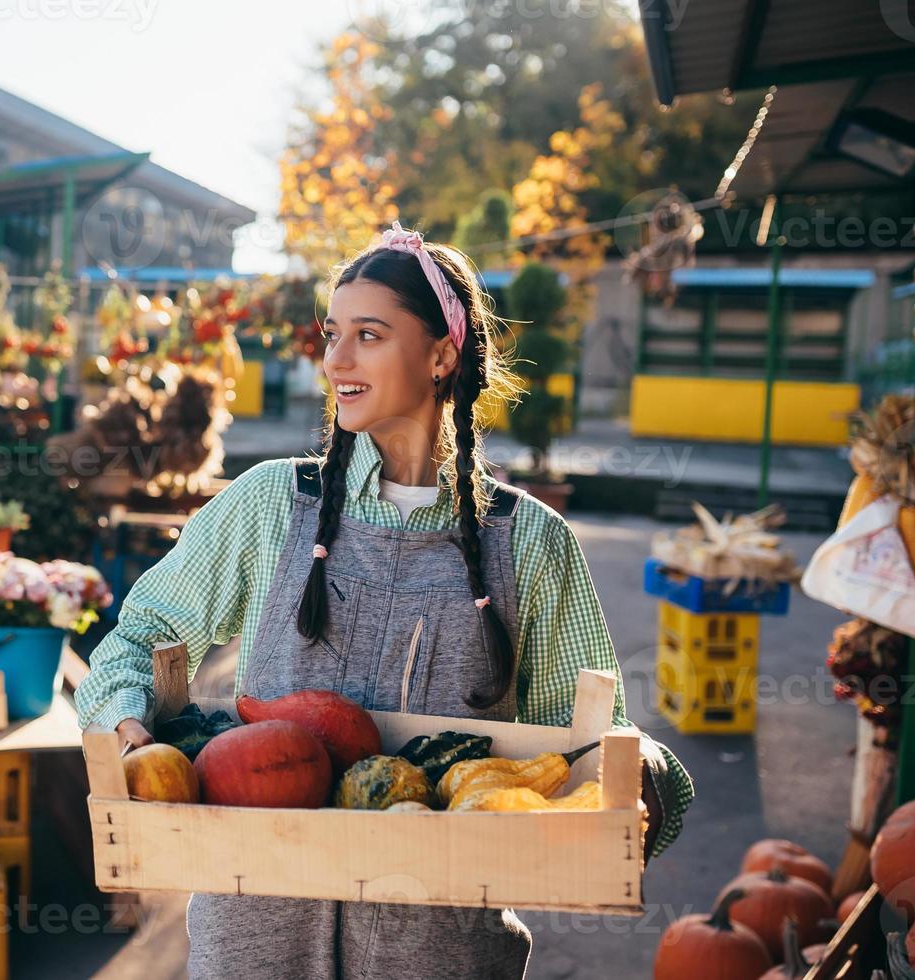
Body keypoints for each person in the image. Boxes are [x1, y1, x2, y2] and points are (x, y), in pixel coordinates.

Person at [75, 222, 693, 979]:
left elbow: (596, 737)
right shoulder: (271, 504)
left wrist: (644, 785)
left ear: (441, 355)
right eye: (332, 334)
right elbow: (141, 633)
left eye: (367, 334)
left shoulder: (529, 541)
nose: (335, 360)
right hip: (252, 941)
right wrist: (132, 736)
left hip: (441, 952)